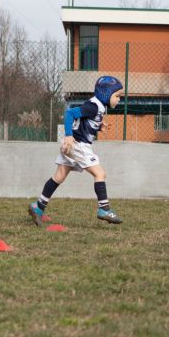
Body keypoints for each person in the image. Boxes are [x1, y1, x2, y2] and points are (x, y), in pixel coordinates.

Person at [28, 76, 124, 226]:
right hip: (78, 144)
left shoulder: (100, 106)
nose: (119, 99)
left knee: (59, 176)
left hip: (73, 145)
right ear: (106, 94)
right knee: (100, 174)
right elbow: (70, 113)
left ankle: (38, 207)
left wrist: (99, 126)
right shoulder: (94, 106)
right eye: (117, 96)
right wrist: (68, 136)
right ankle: (104, 209)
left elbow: (85, 122)